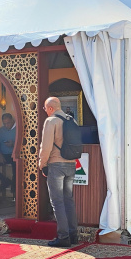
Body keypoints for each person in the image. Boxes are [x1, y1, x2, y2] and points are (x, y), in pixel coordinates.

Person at [39, 96, 78, 247]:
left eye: (45, 109)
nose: (45, 112)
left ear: (50, 108)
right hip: (71, 164)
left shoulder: (51, 121)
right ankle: (73, 234)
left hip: (56, 165)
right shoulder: (71, 120)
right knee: (69, 200)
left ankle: (63, 237)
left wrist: (42, 164)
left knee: (57, 202)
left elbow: (46, 146)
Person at [0, 112, 17, 196]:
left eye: (8, 123)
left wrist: (13, 144)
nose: (7, 125)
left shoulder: (18, 129)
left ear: (12, 120)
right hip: (4, 155)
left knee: (17, 171)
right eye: (5, 123)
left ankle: (14, 193)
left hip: (15, 155)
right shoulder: (1, 130)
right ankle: (4, 180)